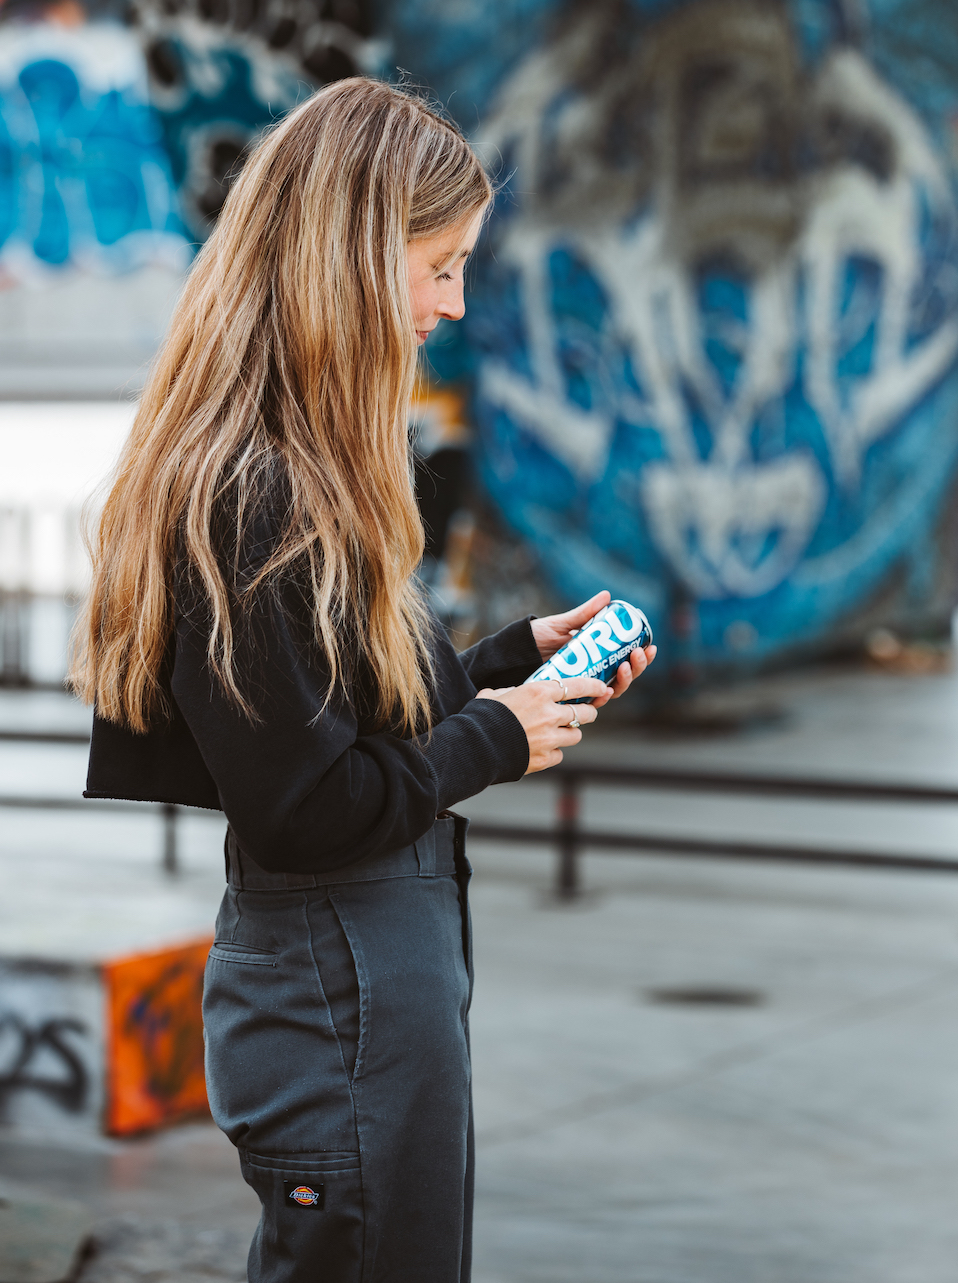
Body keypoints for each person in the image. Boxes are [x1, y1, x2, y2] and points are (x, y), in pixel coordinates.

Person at [72, 78, 655, 1283]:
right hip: (339, 988)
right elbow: (305, 805)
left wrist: (502, 669)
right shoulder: (251, 492)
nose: (450, 301)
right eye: (437, 265)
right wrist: (498, 734)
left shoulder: (299, 465)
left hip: (361, 983)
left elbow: (326, 714)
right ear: (347, 253)